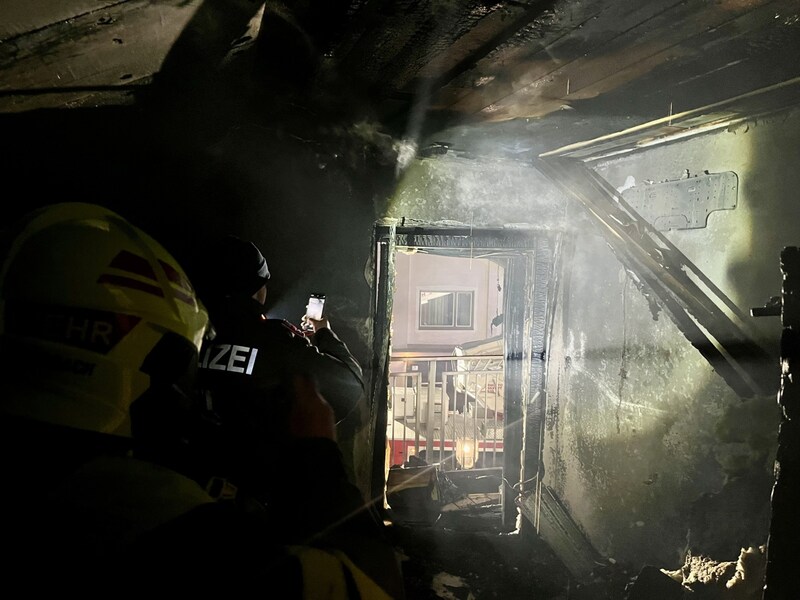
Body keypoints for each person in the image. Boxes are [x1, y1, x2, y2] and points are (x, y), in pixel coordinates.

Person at [0, 202, 405, 598]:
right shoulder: (197, 544)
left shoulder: (71, 489)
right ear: (259, 289)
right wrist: (318, 445)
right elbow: (350, 388)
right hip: (257, 516)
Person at [188, 234, 366, 506]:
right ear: (259, 288)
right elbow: (349, 384)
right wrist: (323, 334)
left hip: (191, 491)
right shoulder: (275, 341)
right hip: (262, 504)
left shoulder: (189, 331)